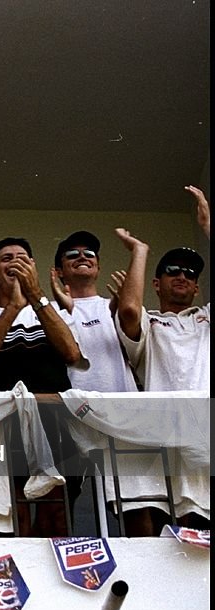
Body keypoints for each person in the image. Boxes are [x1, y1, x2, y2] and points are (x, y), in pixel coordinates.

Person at [0, 237, 84, 536]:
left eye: (23, 257)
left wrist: (36, 296)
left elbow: (71, 353)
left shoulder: (56, 314)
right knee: (14, 516)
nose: (15, 262)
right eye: (6, 258)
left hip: (56, 426)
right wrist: (12, 308)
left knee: (57, 514)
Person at [113, 185, 210, 529]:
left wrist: (208, 229)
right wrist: (140, 251)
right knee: (164, 528)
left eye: (190, 273)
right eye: (172, 270)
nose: (182, 276)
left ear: (197, 287)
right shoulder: (150, 324)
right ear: (156, 283)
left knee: (199, 528)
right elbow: (127, 310)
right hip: (161, 436)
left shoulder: (207, 319)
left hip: (204, 434)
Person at [49, 230, 152, 534]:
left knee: (135, 504)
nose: (83, 257)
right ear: (58, 271)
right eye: (72, 254)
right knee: (61, 504)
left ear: (98, 266)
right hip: (69, 418)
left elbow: (136, 349)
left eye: (90, 253)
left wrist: (119, 309)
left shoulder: (117, 305)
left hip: (121, 418)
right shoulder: (46, 312)